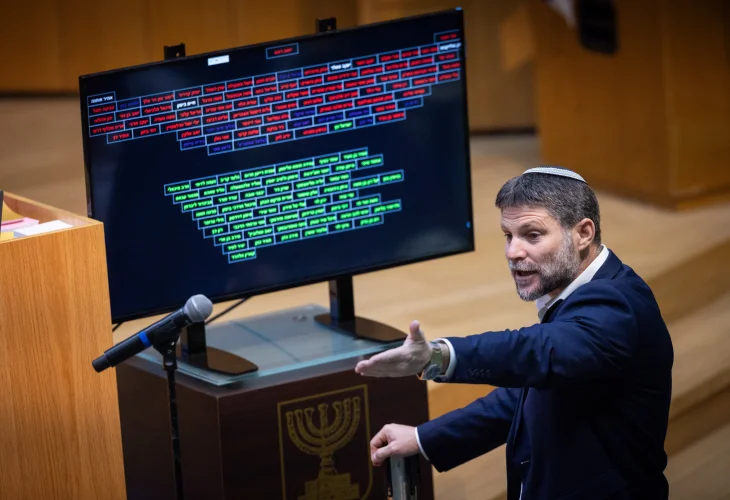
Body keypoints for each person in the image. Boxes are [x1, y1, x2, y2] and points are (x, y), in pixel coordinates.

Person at [354, 166, 674, 500]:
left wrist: (439, 356)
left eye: (532, 235)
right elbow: (528, 396)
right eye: (508, 236)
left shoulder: (617, 305)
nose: (512, 252)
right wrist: (424, 438)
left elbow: (536, 352)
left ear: (583, 233)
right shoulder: (579, 292)